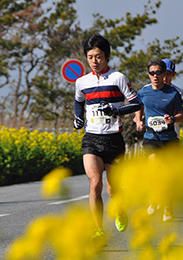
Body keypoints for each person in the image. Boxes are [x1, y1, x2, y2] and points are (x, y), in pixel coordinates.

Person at [74, 34, 141, 243]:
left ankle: (120, 210)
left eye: (99, 57)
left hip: (114, 140)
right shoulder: (81, 81)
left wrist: (116, 110)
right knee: (95, 183)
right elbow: (78, 102)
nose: (95, 61)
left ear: (107, 57)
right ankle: (98, 230)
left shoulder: (117, 78)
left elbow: (136, 103)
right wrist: (77, 117)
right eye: (91, 57)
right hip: (91, 139)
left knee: (113, 189)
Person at [134, 58, 183, 221]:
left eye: (158, 72)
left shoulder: (173, 93)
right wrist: (138, 120)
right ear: (148, 74)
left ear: (165, 74)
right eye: (152, 73)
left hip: (170, 138)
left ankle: (167, 208)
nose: (155, 76)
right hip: (151, 137)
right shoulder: (143, 92)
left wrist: (173, 118)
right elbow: (138, 107)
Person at [162, 58, 183, 138]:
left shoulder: (178, 93)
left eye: (168, 74)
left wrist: (175, 116)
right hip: (153, 138)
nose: (165, 77)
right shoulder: (148, 90)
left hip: (172, 137)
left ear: (174, 74)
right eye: (163, 73)